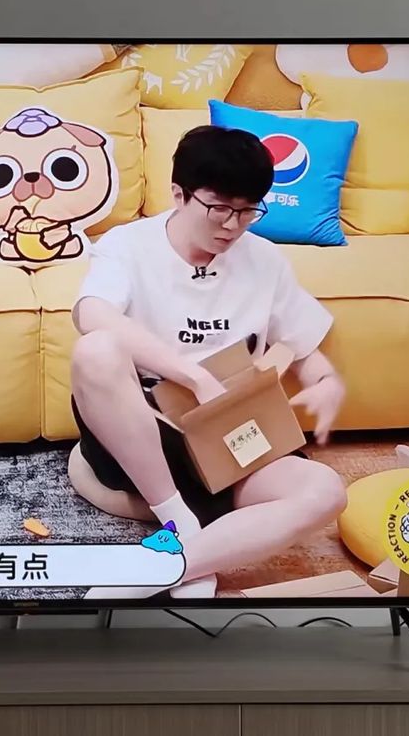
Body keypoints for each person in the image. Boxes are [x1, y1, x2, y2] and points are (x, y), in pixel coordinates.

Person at [68, 125, 348, 600]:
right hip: (146, 432)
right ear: (179, 194)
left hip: (231, 434)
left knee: (326, 491)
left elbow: (305, 349)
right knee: (96, 350)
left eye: (248, 210)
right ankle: (176, 517)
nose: (233, 226)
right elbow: (91, 313)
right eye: (219, 208)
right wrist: (192, 375)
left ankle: (170, 563)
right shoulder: (128, 245)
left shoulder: (265, 260)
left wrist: (325, 381)